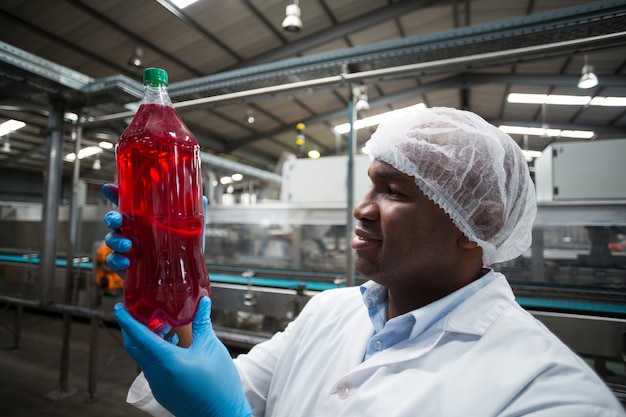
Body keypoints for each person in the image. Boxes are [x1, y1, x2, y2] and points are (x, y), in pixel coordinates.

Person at [105, 106, 626, 417]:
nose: (361, 208)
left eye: (394, 191)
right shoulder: (327, 313)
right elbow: (214, 389)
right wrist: (173, 319)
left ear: (479, 226)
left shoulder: (550, 395)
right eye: (370, 183)